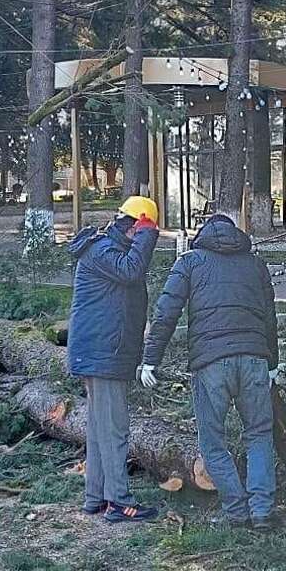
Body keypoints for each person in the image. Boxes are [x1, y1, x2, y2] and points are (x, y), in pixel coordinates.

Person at [137, 211, 280, 530]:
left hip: (210, 362)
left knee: (213, 442)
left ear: (203, 233)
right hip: (254, 359)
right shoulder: (255, 264)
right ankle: (262, 511)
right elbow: (269, 317)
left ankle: (236, 510)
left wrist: (151, 359)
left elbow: (166, 313)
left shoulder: (189, 263)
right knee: (259, 435)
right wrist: (273, 363)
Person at [68, 195, 162, 523]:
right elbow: (132, 271)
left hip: (101, 353)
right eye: (146, 231)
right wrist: (148, 234)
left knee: (99, 430)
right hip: (102, 354)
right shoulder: (104, 250)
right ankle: (119, 501)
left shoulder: (107, 248)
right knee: (115, 430)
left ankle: (96, 497)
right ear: (136, 226)